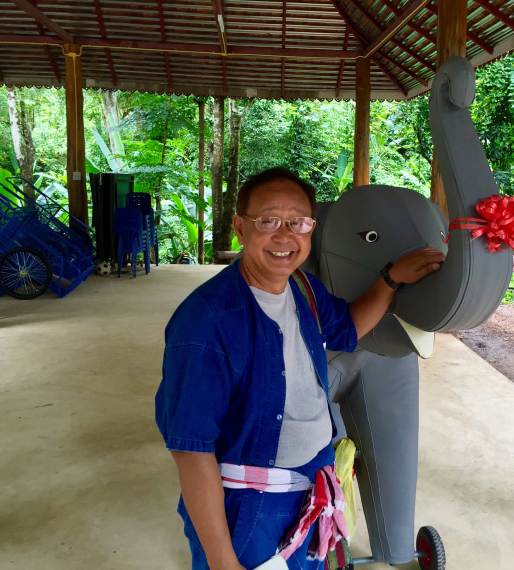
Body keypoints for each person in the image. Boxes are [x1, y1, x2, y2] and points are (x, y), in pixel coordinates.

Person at [155, 168, 445, 570]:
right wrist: (223, 561)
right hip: (252, 509)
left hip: (311, 491)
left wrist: (390, 279)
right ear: (240, 227)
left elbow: (347, 327)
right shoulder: (205, 323)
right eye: (268, 220)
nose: (284, 235)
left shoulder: (302, 288)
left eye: (298, 222)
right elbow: (192, 449)